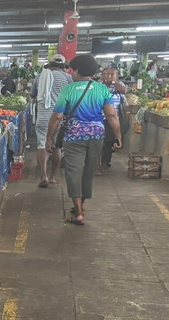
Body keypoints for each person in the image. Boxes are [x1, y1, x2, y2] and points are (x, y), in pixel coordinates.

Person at [45, 54, 121, 225]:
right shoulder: (102, 89)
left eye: (73, 70)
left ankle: (78, 210)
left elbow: (57, 117)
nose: (71, 73)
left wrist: (49, 138)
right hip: (96, 136)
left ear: (78, 70)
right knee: (88, 171)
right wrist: (118, 135)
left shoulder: (69, 89)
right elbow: (111, 114)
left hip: (74, 136)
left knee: (73, 171)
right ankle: (79, 206)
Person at [32, 55, 71, 188]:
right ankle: (53, 176)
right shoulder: (68, 78)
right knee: (56, 146)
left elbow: (32, 94)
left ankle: (44, 176)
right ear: (63, 66)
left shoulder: (40, 76)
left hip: (43, 117)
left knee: (42, 145)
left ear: (49, 64)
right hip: (59, 117)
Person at [99, 65, 127, 172]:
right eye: (106, 74)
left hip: (113, 118)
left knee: (109, 141)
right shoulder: (99, 85)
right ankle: (99, 162)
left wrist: (114, 82)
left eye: (112, 74)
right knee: (100, 141)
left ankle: (106, 162)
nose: (109, 76)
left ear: (117, 76)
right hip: (99, 117)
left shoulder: (119, 85)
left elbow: (124, 90)